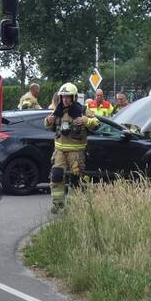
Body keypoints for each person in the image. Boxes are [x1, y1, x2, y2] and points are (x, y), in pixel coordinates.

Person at [45, 82, 100, 212]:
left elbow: (97, 123)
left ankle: (72, 206)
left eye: (68, 97)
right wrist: (48, 121)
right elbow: (48, 124)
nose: (65, 99)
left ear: (73, 97)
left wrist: (85, 120)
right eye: (63, 96)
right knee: (56, 175)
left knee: (75, 179)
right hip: (60, 150)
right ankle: (57, 204)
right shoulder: (57, 110)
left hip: (76, 152)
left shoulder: (82, 110)